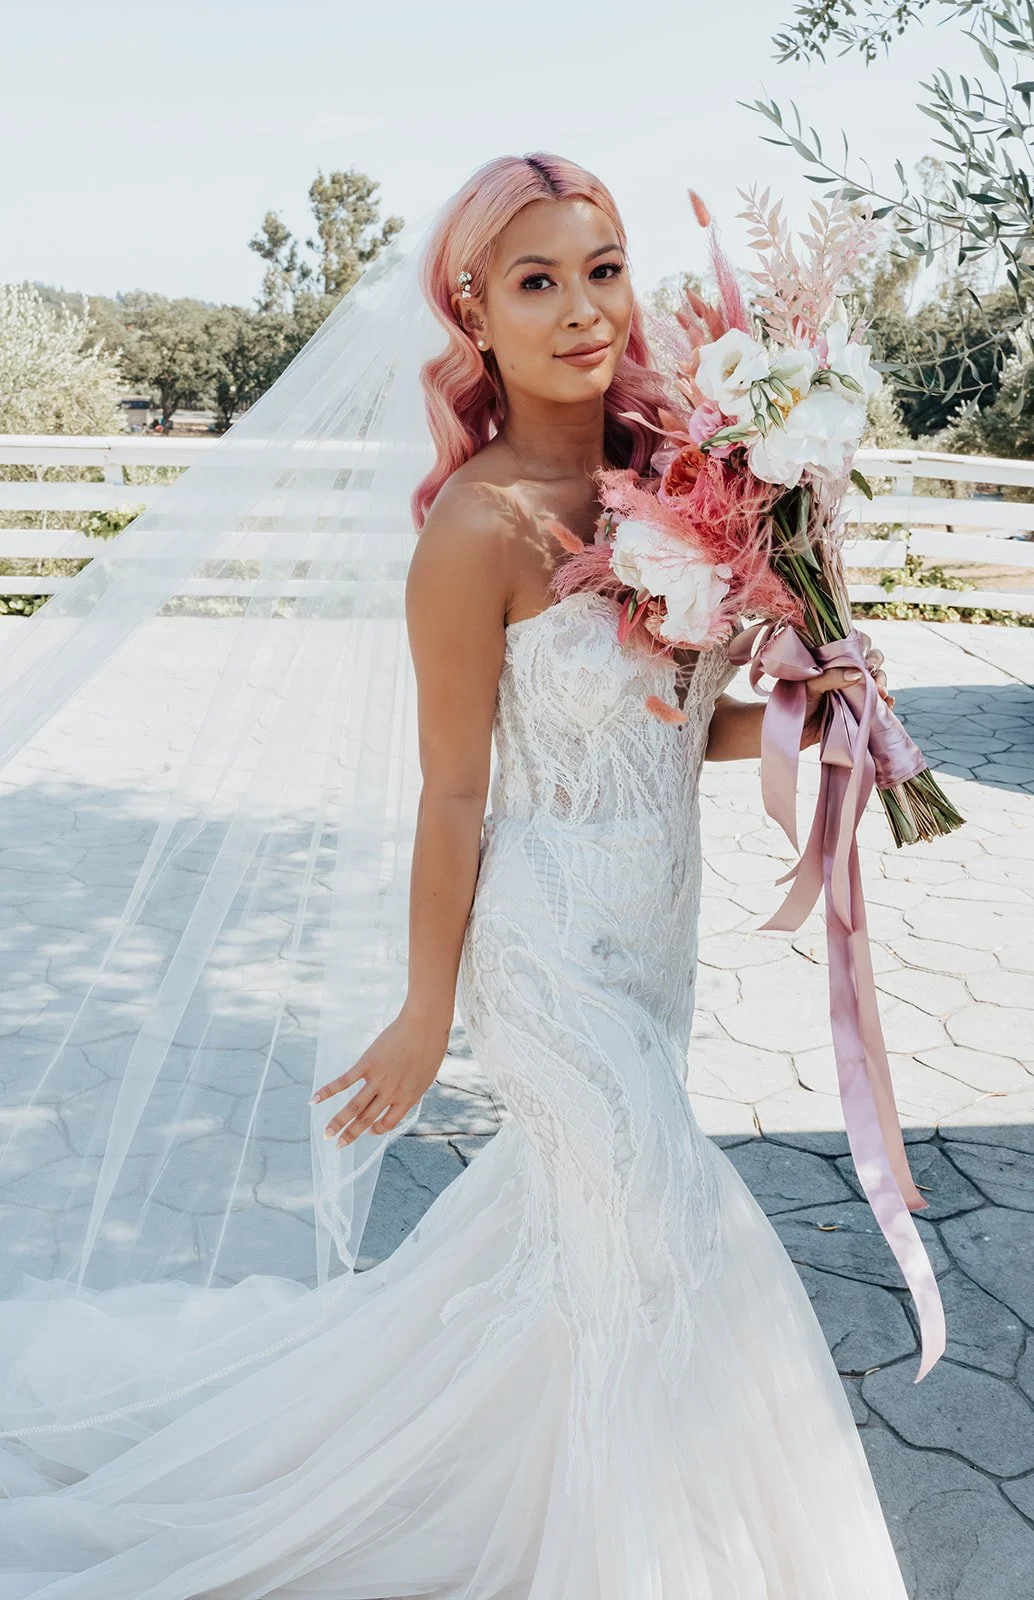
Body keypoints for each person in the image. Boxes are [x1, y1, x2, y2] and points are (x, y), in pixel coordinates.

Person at [0, 153, 906, 1597]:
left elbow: (676, 729)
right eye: (535, 282)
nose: (581, 309)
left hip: (651, 941)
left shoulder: (690, 483)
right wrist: (427, 1012)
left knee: (574, 1254)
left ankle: (509, 1491)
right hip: (542, 957)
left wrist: (825, 712)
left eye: (602, 269)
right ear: (472, 313)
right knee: (673, 1233)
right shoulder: (474, 527)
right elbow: (456, 792)